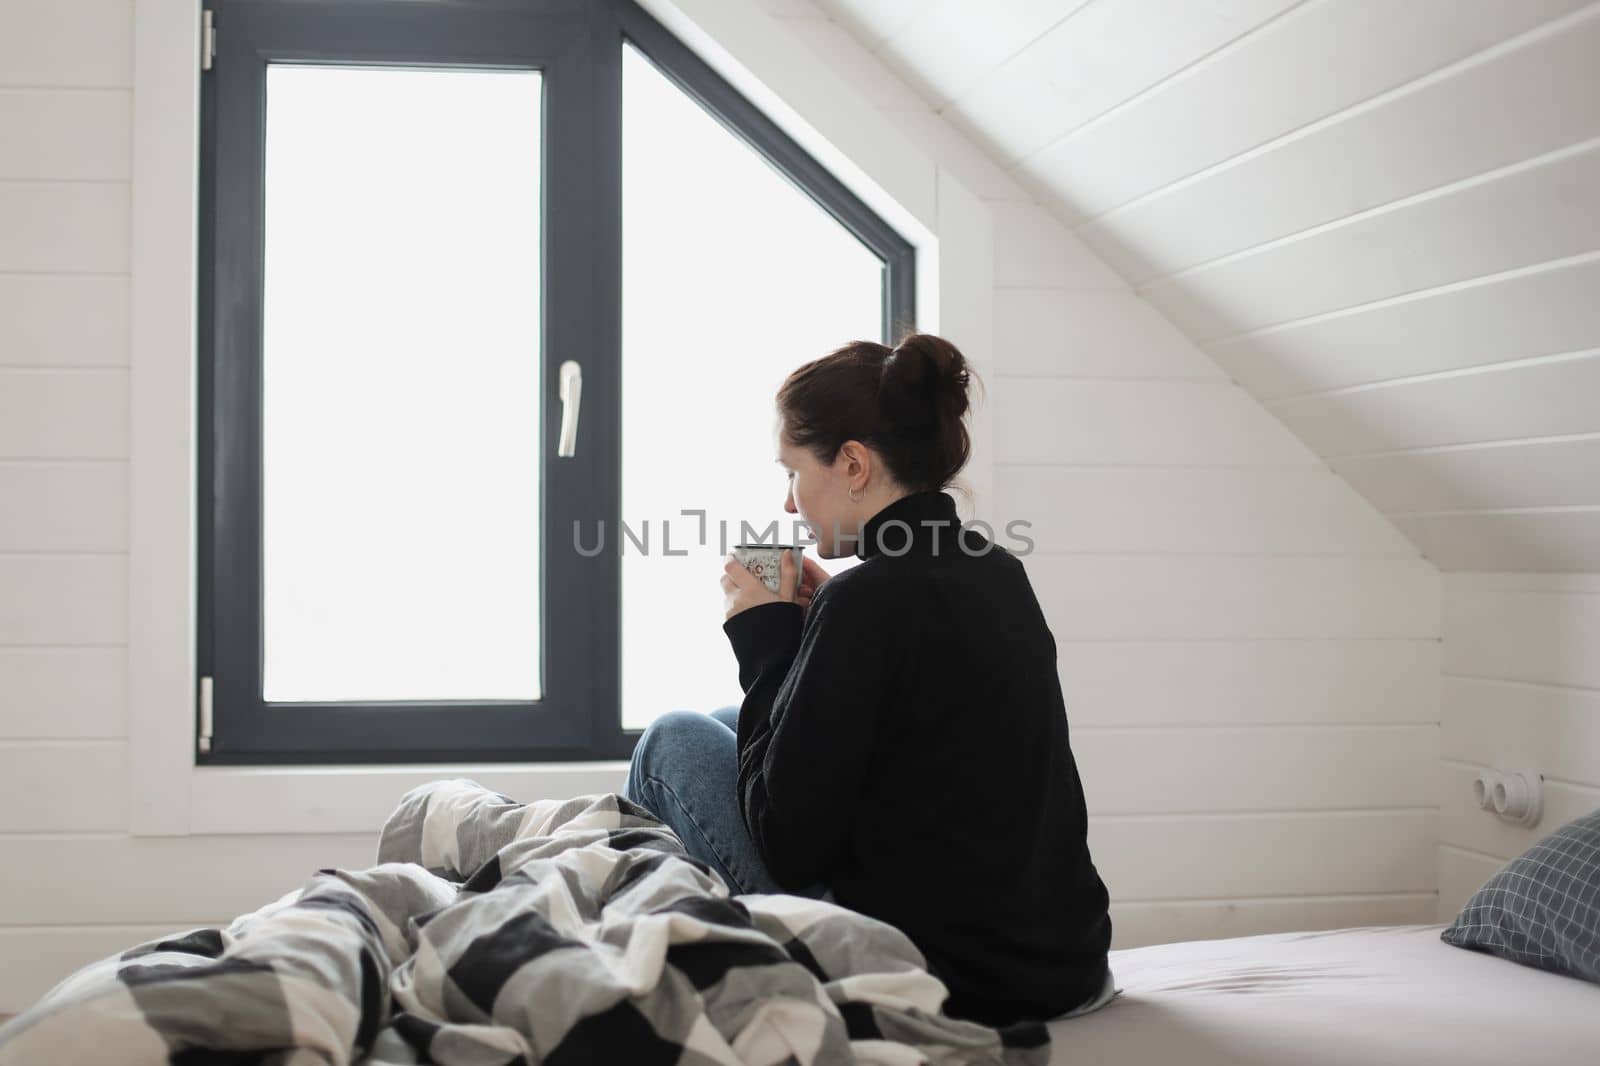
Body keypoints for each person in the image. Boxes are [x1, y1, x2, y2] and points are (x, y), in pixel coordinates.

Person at [623, 332, 1115, 1027]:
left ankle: (623, 971)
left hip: (945, 979)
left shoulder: (869, 600)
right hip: (1062, 964)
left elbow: (787, 847)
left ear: (852, 463)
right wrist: (821, 628)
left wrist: (766, 639)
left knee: (674, 739)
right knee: (726, 725)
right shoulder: (995, 570)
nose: (790, 505)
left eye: (792, 472)